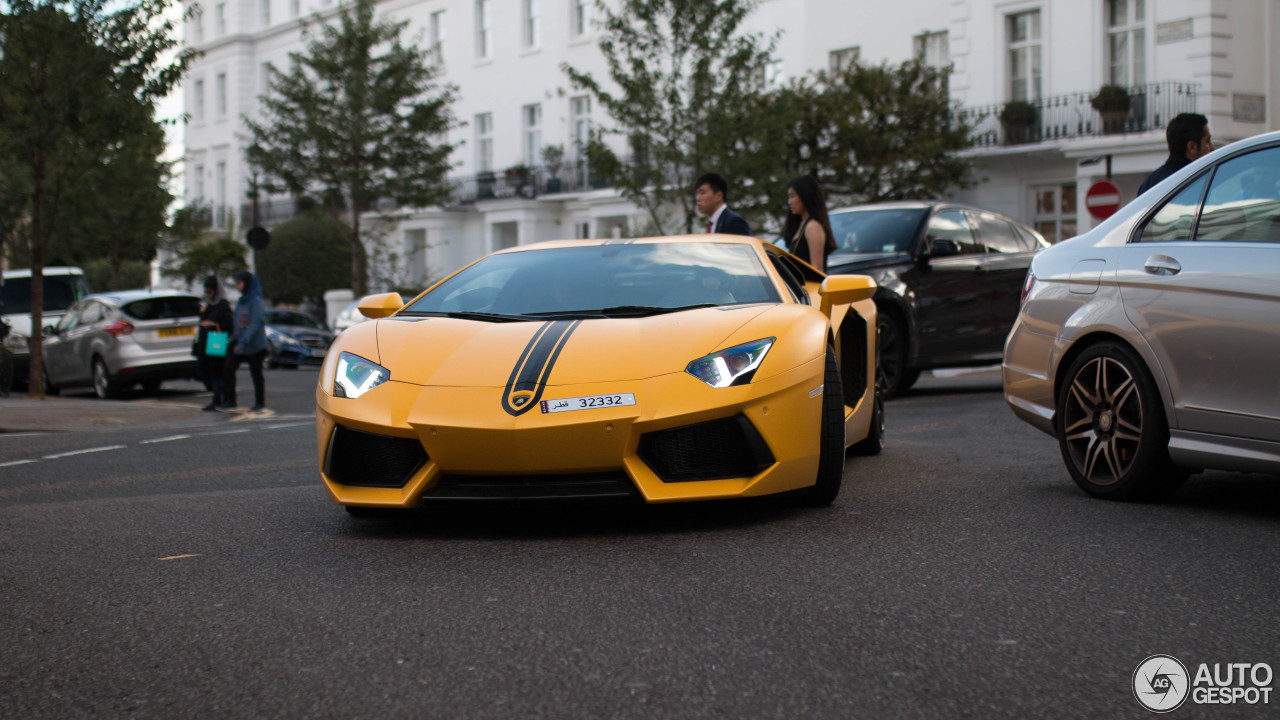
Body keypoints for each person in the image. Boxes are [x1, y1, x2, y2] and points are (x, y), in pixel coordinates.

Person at [221, 270, 268, 412]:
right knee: (228, 368)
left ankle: (260, 403)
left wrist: (242, 343)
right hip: (240, 343)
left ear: (247, 284)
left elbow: (254, 324)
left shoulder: (256, 301)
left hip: (254, 345)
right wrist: (232, 340)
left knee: (256, 373)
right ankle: (230, 400)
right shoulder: (241, 301)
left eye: (239, 283)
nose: (237, 286)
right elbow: (237, 323)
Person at [1138, 113, 1215, 195]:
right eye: (1207, 141)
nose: (1212, 147)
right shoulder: (1196, 182)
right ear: (1192, 147)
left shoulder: (1150, 183)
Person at [196, 275, 234, 411]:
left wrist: (213, 324)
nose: (207, 295)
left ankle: (221, 398)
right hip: (207, 345)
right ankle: (216, 399)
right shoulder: (209, 306)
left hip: (218, 345)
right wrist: (202, 314)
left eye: (209, 292)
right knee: (211, 373)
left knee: (219, 373)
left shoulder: (223, 306)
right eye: (205, 292)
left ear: (216, 291)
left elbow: (229, 325)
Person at [783, 175, 837, 272]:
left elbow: (817, 270)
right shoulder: (801, 224)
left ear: (804, 196)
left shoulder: (813, 227)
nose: (789, 202)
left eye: (792, 196)